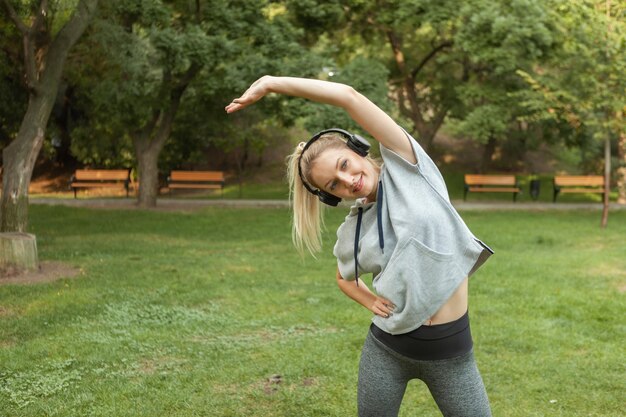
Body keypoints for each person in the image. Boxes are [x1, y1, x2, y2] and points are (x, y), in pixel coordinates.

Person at [226, 76, 493, 417]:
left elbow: (348, 97)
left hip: (451, 354)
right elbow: (343, 277)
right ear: (329, 195)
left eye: (344, 165)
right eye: (334, 185)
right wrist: (369, 299)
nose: (348, 180)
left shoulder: (408, 165)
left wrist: (271, 83)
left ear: (356, 148)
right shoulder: (354, 230)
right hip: (387, 351)